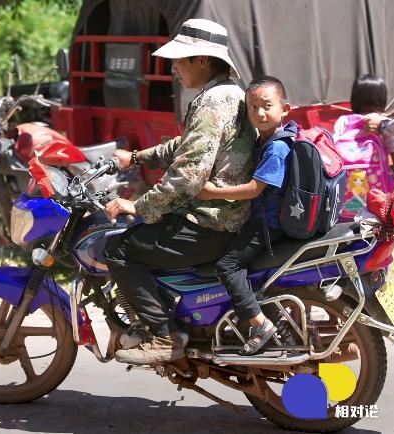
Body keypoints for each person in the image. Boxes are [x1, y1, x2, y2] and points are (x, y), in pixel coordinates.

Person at [102, 18, 256, 366]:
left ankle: (163, 336)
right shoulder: (229, 93)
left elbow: (189, 175)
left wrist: (139, 206)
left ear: (202, 60)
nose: (173, 69)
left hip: (211, 223)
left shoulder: (212, 102)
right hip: (228, 217)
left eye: (180, 60)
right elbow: (187, 146)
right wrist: (138, 157)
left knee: (117, 249)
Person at [197, 76, 296, 355]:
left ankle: (259, 322)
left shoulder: (276, 147)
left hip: (268, 224)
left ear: (285, 108)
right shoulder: (266, 138)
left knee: (227, 266)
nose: (260, 113)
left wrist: (213, 192)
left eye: (267, 106)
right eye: (253, 107)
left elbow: (255, 189)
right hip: (265, 219)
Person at [335, 75, 394, 176]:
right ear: (383, 99)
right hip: (378, 186)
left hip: (347, 184)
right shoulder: (384, 124)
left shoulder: (343, 121)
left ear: (354, 99)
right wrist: (392, 172)